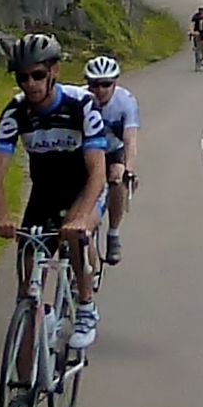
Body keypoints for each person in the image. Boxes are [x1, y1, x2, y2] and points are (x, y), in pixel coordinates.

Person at [0, 35, 109, 407]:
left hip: (83, 188)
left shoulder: (81, 104)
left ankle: (85, 305)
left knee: (76, 233)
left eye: (37, 75)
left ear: (54, 72)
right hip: (43, 196)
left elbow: (97, 173)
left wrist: (80, 216)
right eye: (22, 78)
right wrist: (2, 217)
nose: (30, 85)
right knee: (27, 296)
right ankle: (22, 391)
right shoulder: (16, 112)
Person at [82, 54, 141, 266]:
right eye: (94, 84)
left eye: (106, 84)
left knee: (117, 177)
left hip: (113, 150)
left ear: (115, 83)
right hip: (87, 150)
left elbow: (130, 139)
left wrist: (129, 169)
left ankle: (113, 233)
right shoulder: (81, 99)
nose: (100, 90)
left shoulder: (125, 102)